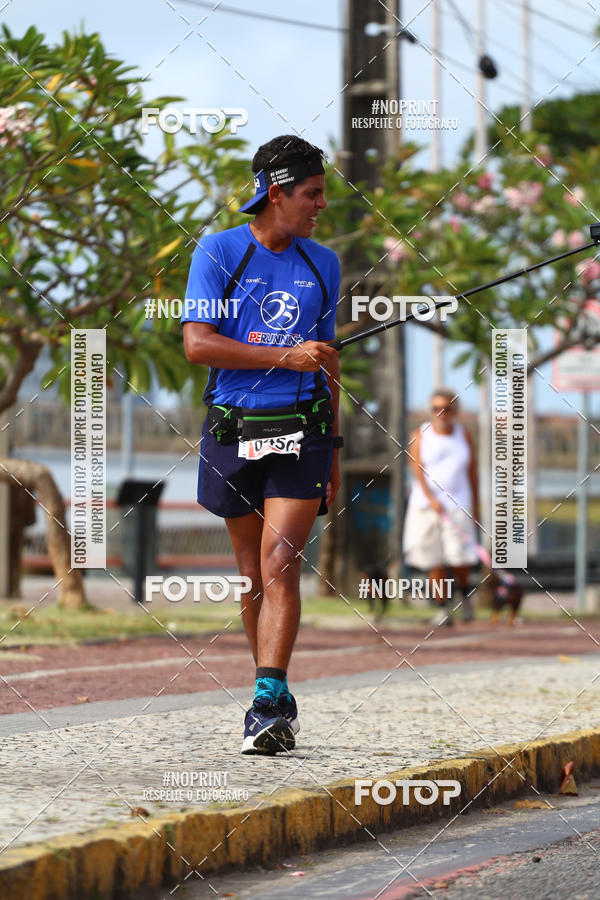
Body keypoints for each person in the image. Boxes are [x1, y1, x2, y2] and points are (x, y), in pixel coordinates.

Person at [181, 135, 342, 754]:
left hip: (302, 430)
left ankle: (267, 701)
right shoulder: (220, 252)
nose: (320, 204)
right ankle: (270, 693)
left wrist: (333, 449)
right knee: (251, 575)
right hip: (234, 427)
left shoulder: (321, 262)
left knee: (281, 564)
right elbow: (198, 345)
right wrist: (285, 355)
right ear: (277, 193)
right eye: (312, 193)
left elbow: (327, 363)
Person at [403, 389, 479, 625]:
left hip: (458, 505)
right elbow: (416, 470)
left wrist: (476, 506)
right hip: (427, 507)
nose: (441, 413)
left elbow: (472, 472)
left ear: (455, 411)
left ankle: (464, 596)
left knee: (459, 558)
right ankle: (442, 608)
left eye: (446, 408)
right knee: (433, 558)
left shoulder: (463, 436)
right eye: (436, 408)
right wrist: (431, 498)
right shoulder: (420, 435)